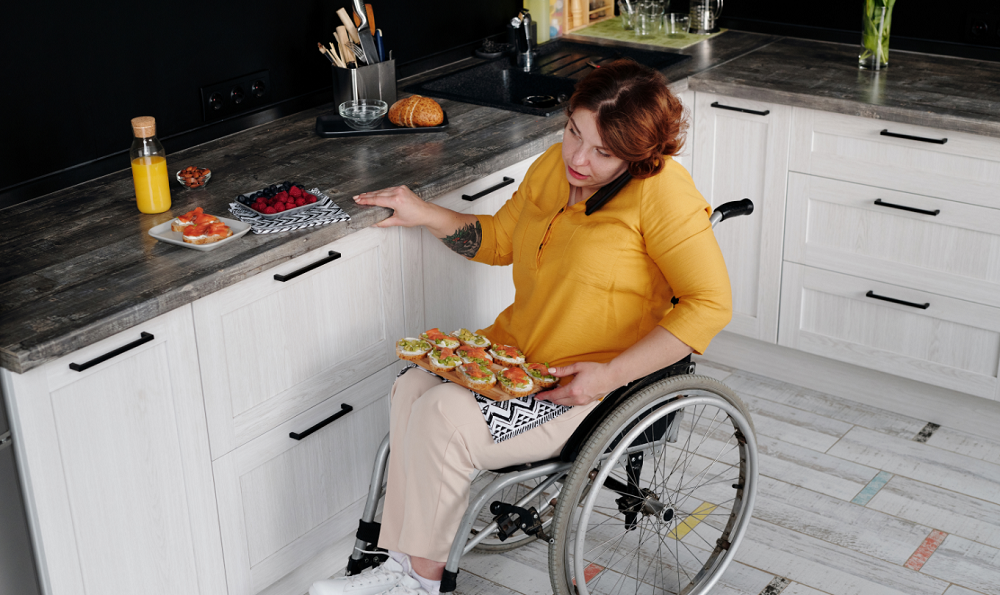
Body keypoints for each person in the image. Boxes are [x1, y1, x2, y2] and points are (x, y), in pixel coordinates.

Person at [309, 59, 732, 595]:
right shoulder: (552, 168)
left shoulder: (663, 194)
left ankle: (421, 583)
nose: (578, 158)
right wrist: (427, 212)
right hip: (517, 359)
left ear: (640, 155)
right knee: (412, 385)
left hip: (591, 386)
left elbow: (710, 304)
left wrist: (606, 376)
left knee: (443, 415)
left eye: (603, 152)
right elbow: (501, 241)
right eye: (573, 132)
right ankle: (401, 566)